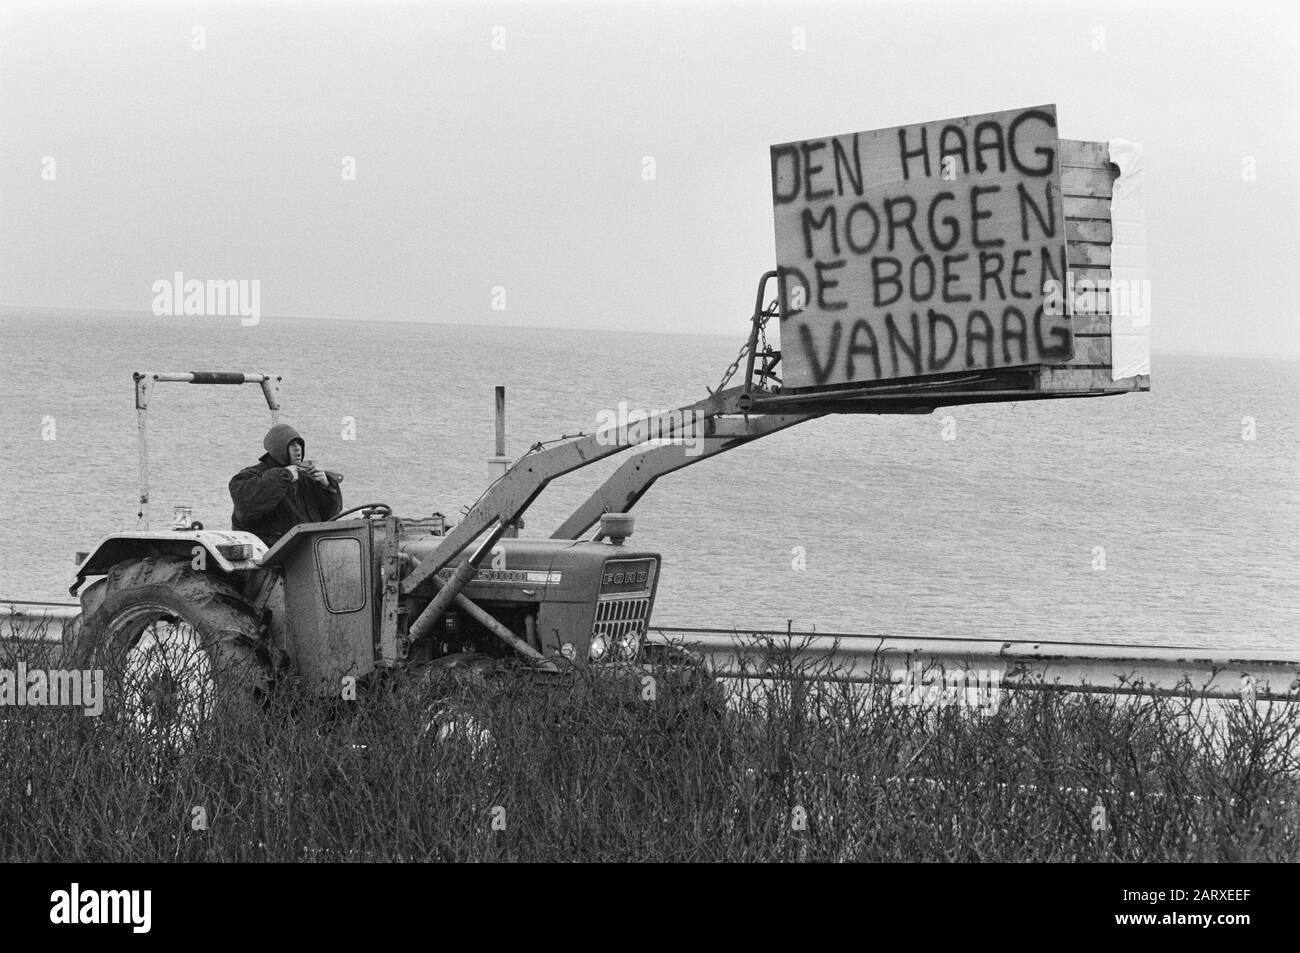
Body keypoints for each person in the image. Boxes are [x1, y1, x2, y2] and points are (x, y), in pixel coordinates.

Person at [230, 423, 343, 547]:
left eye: (299, 444)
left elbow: (330, 515)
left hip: (308, 550)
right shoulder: (249, 476)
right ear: (278, 448)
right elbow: (247, 504)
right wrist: (284, 476)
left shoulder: (307, 478)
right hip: (271, 555)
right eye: (292, 444)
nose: (297, 448)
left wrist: (326, 485)